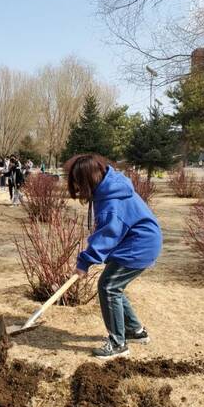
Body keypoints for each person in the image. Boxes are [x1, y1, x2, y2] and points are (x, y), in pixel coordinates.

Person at [67, 154, 162, 361]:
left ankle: (118, 343)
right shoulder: (110, 185)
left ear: (88, 180)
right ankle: (136, 330)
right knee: (114, 286)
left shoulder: (111, 203)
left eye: (78, 182)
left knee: (108, 287)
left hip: (139, 245)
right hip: (138, 241)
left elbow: (107, 235)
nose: (76, 187)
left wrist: (84, 262)